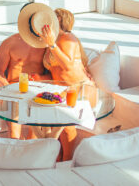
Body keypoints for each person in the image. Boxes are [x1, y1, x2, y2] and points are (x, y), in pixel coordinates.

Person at [40, 8, 98, 161]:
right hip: (64, 89)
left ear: (59, 19)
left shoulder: (67, 38)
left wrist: (52, 45)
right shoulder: (49, 41)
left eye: (52, 16)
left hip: (81, 88)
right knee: (49, 118)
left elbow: (68, 66)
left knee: (65, 124)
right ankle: (56, 158)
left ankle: (68, 160)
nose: (47, 20)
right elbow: (54, 71)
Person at [0, 3, 52, 139]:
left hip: (37, 90)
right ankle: (15, 148)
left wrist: (40, 79)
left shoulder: (46, 45)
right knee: (14, 128)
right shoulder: (9, 43)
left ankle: (31, 152)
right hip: (13, 90)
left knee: (35, 134)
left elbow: (54, 73)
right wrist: (8, 88)